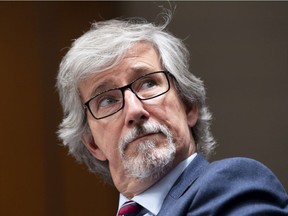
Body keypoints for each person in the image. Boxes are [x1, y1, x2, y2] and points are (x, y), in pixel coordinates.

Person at [56, 13, 288, 215]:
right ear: (92, 143)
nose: (134, 111)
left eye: (147, 83)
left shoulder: (233, 185)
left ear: (188, 106)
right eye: (107, 100)